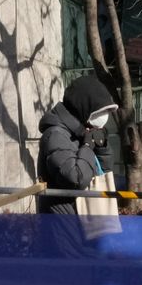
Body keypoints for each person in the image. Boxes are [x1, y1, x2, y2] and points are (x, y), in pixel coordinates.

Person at [37, 72, 119, 214]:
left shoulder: (82, 130)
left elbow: (103, 171)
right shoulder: (56, 134)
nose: (104, 117)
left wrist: (101, 147)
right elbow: (75, 179)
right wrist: (87, 147)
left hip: (82, 217)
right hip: (63, 220)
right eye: (100, 112)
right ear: (82, 107)